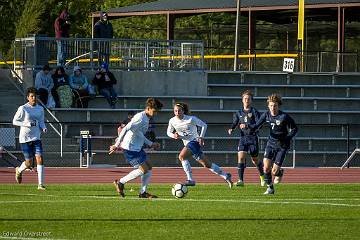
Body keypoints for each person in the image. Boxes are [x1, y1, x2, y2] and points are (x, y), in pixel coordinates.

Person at [167, 102, 233, 188]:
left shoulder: (191, 119)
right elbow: (168, 132)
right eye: (175, 111)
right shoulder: (172, 120)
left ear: (183, 111)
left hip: (194, 142)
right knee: (207, 164)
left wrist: (201, 137)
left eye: (179, 111)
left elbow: (204, 125)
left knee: (182, 156)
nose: (177, 113)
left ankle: (190, 179)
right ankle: (226, 175)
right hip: (187, 144)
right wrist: (174, 135)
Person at [109, 98, 163, 198]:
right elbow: (125, 128)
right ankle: (120, 182)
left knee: (149, 167)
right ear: (148, 108)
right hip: (130, 148)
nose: (155, 114)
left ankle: (143, 193)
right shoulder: (140, 118)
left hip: (137, 148)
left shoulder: (146, 118)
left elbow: (139, 134)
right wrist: (117, 145)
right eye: (154, 111)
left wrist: (151, 143)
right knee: (144, 170)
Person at [245, 93, 298, 195]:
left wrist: (288, 138)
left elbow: (295, 128)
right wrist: (248, 126)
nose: (273, 108)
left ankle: (279, 172)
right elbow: (256, 125)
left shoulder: (284, 116)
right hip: (271, 143)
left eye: (275, 106)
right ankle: (270, 188)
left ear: (278, 106)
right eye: (271, 106)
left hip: (282, 146)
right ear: (268, 106)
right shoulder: (266, 115)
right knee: (265, 167)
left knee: (274, 172)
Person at [228, 90, 265, 187]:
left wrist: (248, 126)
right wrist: (231, 128)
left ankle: (262, 177)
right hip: (243, 138)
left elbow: (259, 124)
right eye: (245, 99)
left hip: (253, 138)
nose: (246, 100)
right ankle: (241, 180)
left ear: (251, 100)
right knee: (240, 157)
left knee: (255, 160)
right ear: (242, 100)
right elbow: (236, 122)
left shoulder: (254, 112)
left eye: (248, 99)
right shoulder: (239, 112)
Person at [13, 87, 47, 190]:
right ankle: (19, 170)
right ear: (28, 97)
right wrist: (26, 123)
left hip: (36, 137)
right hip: (25, 138)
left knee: (40, 159)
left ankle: (40, 185)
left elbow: (41, 121)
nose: (34, 98)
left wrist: (44, 127)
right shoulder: (23, 108)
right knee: (28, 163)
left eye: (35, 96)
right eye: (32, 96)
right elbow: (14, 121)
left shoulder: (40, 109)